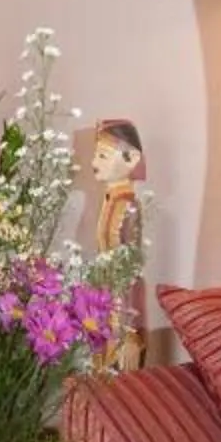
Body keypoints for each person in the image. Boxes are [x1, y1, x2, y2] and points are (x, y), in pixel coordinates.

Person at [89, 120, 146, 370]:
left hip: (123, 300)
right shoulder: (110, 200)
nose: (94, 164)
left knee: (120, 367)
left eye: (103, 156)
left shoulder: (128, 205)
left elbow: (129, 263)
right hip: (105, 295)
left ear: (132, 159)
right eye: (96, 155)